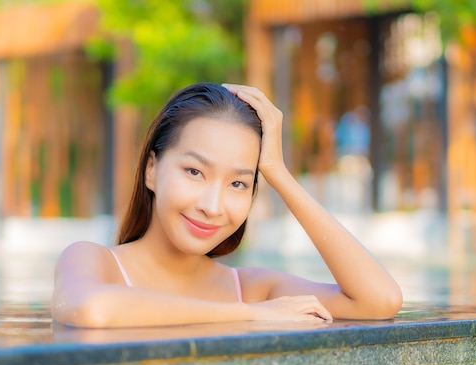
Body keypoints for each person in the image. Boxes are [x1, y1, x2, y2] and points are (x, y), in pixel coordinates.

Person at [52, 82, 402, 328]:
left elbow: (379, 301)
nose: (212, 205)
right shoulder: (95, 261)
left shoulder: (249, 288)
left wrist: (278, 172)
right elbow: (91, 310)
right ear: (152, 169)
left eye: (238, 183)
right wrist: (253, 315)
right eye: (194, 171)